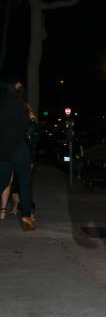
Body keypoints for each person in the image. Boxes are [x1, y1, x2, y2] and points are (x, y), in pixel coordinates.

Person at [0, 77, 36, 231]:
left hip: (2, 150)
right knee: (25, 183)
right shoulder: (21, 105)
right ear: (15, 86)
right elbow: (28, 125)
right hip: (19, 149)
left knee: (1, 182)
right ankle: (26, 218)